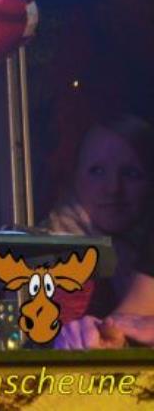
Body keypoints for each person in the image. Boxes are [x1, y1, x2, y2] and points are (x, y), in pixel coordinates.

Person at [46, 113, 154, 348]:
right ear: (74, 177)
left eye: (131, 173)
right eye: (97, 171)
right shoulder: (51, 257)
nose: (113, 188)